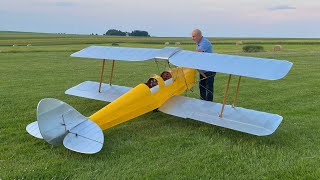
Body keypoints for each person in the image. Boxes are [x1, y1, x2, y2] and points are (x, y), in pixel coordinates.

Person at [192, 29, 216, 101]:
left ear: (199, 36)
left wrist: (187, 55)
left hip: (209, 69)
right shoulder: (198, 42)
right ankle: (202, 101)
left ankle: (209, 103)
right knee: (202, 86)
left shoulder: (205, 42)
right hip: (203, 69)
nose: (192, 38)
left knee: (209, 87)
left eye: (194, 36)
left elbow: (198, 52)